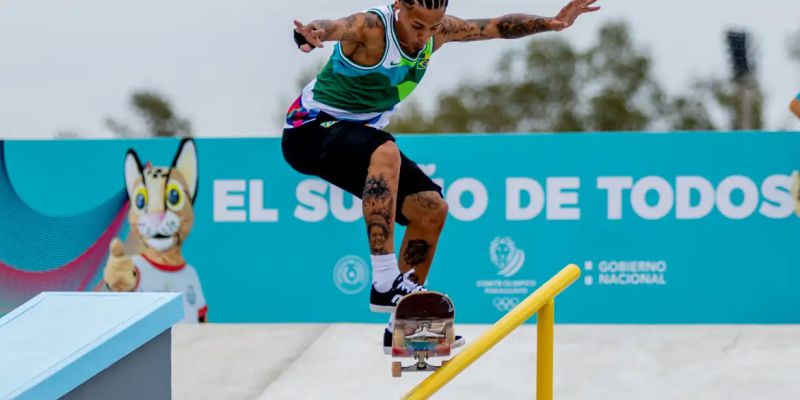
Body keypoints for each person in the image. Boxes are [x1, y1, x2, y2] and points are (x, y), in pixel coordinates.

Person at [282, 0, 600, 349]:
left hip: (356, 138)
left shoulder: (437, 32)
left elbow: (494, 26)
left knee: (430, 208)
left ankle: (405, 325)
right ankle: (386, 281)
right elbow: (336, 25)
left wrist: (551, 22)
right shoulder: (371, 27)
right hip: (309, 131)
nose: (424, 38)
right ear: (400, 7)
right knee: (384, 150)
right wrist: (314, 33)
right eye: (417, 26)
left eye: (432, 28)